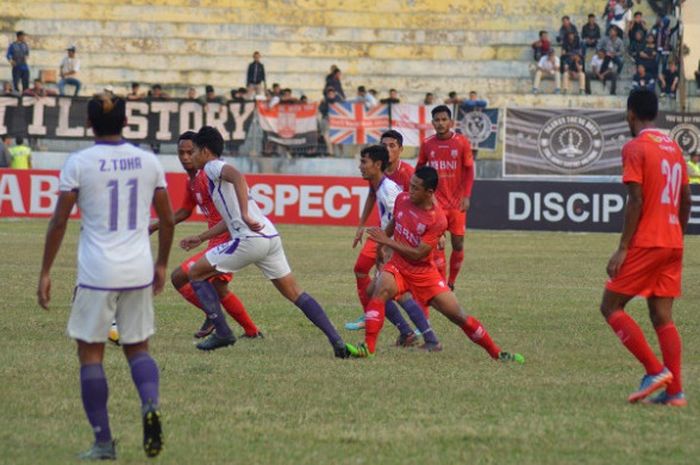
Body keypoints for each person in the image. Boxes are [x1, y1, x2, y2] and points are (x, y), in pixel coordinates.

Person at [37, 94, 175, 459]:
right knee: (138, 348)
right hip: (138, 269)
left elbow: (59, 220)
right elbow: (167, 217)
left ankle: (102, 441)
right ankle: (149, 403)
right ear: (127, 122)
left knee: (91, 354)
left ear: (88, 124)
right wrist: (161, 263)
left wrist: (46, 271)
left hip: (98, 271)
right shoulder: (148, 162)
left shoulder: (79, 163)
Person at [179, 126, 349, 357]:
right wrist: (200, 237)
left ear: (206, 151)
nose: (191, 156)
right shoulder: (213, 174)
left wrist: (246, 215)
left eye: (195, 151)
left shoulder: (212, 166)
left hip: (249, 239)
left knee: (195, 274)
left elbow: (237, 177)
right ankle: (337, 342)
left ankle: (222, 331)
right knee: (296, 293)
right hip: (269, 237)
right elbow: (230, 218)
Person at [345, 165, 524, 363]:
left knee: (459, 316)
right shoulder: (402, 199)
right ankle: (368, 348)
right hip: (398, 266)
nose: (409, 190)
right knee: (379, 290)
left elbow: (419, 253)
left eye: (415, 188)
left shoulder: (437, 219)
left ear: (429, 192)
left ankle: (497, 354)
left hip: (424, 273)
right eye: (410, 185)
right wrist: (382, 245)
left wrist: (386, 242)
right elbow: (396, 221)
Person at [599, 89, 691, 406]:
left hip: (648, 240)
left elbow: (635, 200)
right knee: (662, 316)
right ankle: (676, 392)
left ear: (630, 114)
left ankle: (654, 370)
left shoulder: (635, 147)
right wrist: (677, 232)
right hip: (673, 241)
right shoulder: (674, 148)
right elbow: (687, 199)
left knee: (610, 306)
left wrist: (623, 248)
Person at [148, 131, 261, 339]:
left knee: (181, 277)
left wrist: (204, 235)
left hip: (229, 240)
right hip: (216, 241)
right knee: (218, 287)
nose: (185, 158)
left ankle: (213, 314)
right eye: (181, 153)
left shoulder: (208, 176)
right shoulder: (191, 181)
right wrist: (156, 225)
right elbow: (184, 211)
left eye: (190, 152)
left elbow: (234, 195)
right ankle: (251, 331)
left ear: (201, 152)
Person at [346, 145, 437, 347]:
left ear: (377, 165)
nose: (360, 166)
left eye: (364, 162)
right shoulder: (379, 186)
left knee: (385, 292)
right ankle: (414, 335)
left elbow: (405, 216)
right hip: (391, 246)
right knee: (386, 292)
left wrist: (389, 248)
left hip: (398, 248)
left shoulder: (389, 191)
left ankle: (420, 336)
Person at [417, 105, 473, 291]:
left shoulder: (462, 142)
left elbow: (470, 170)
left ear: (451, 122)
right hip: (436, 204)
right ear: (432, 122)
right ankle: (441, 286)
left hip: (456, 204)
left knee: (458, 244)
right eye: (437, 120)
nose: (440, 123)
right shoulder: (427, 144)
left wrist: (466, 195)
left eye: (443, 119)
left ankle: (451, 282)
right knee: (437, 244)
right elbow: (419, 169)